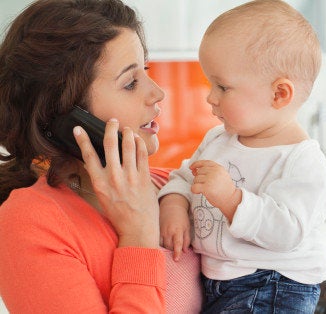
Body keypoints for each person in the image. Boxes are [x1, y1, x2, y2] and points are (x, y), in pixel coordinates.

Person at [0, 0, 200, 312]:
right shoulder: (30, 222)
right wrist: (137, 235)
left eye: (145, 70)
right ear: (68, 118)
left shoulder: (173, 187)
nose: (158, 93)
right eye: (130, 82)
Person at [158, 0, 326, 312]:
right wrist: (174, 204)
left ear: (279, 94)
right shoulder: (217, 140)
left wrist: (230, 198)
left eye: (223, 87)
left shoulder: (301, 160)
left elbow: (287, 231)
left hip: (273, 285)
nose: (210, 97)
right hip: (221, 280)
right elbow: (183, 178)